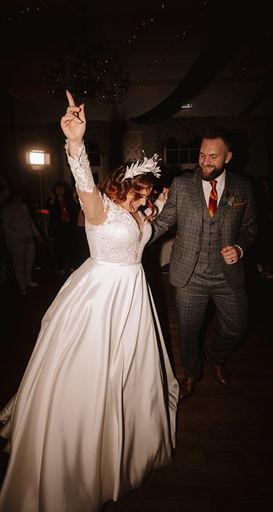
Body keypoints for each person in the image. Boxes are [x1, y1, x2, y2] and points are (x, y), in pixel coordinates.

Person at [0, 91, 179, 512]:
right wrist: (76, 143)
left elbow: (144, 231)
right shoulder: (98, 208)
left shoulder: (142, 213)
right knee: (90, 372)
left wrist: (157, 209)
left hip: (135, 299)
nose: (147, 199)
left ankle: (129, 442)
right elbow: (82, 178)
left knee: (131, 371)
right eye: (142, 192)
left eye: (150, 194)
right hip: (100, 298)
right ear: (125, 184)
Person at [151, 127, 258, 399]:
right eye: (201, 155)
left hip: (227, 275)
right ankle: (191, 371)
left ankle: (215, 356)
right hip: (189, 274)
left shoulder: (242, 187)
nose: (205, 162)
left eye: (213, 156)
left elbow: (250, 228)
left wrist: (239, 248)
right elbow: (163, 223)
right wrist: (132, 240)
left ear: (228, 157)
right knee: (188, 332)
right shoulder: (182, 185)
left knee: (238, 326)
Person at [0, 186, 42, 295]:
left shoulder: (24, 206)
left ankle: (28, 280)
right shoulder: (7, 210)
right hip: (15, 241)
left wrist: (37, 234)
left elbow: (30, 221)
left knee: (30, 260)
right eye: (21, 195)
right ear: (15, 196)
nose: (23, 197)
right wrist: (20, 237)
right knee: (19, 263)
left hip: (29, 239)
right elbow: (6, 227)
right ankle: (22, 285)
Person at [46, 180, 77, 275]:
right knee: (60, 249)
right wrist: (52, 198)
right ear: (54, 190)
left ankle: (72, 266)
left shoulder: (69, 199)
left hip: (69, 227)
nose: (59, 190)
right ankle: (62, 268)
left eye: (61, 188)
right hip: (58, 229)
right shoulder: (52, 200)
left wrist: (75, 198)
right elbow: (49, 208)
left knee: (71, 247)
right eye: (57, 188)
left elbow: (76, 209)